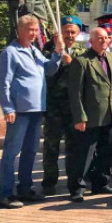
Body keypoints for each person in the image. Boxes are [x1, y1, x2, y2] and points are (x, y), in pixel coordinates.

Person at [0, 15, 64, 208]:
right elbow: (3, 82)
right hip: (19, 110)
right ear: (20, 30)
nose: (33, 34)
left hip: (36, 108)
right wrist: (8, 107)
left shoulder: (34, 51)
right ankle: (5, 194)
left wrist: (58, 51)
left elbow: (50, 69)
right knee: (11, 152)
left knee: (30, 151)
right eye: (30, 30)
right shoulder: (10, 53)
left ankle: (25, 188)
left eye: (35, 30)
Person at [67, 27, 112, 203]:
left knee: (106, 151)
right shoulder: (81, 61)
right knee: (84, 153)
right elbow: (75, 93)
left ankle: (101, 183)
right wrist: (79, 117)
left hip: (110, 113)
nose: (103, 41)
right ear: (91, 41)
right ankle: (77, 188)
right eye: (99, 38)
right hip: (90, 116)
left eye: (106, 37)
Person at [41, 15, 82, 195]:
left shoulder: (82, 52)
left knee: (74, 148)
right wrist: (57, 54)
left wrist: (72, 64)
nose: (69, 35)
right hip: (53, 107)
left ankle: (74, 185)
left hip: (73, 108)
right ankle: (49, 182)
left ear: (78, 33)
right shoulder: (48, 51)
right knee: (51, 146)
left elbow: (85, 75)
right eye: (66, 32)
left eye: (73, 32)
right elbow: (45, 73)